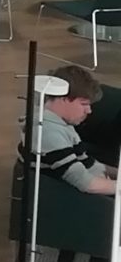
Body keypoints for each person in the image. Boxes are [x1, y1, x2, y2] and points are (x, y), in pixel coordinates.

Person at [21, 66, 119, 195]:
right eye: (84, 104)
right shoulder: (48, 133)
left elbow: (89, 164)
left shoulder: (61, 124)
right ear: (64, 99)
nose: (89, 111)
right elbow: (87, 184)